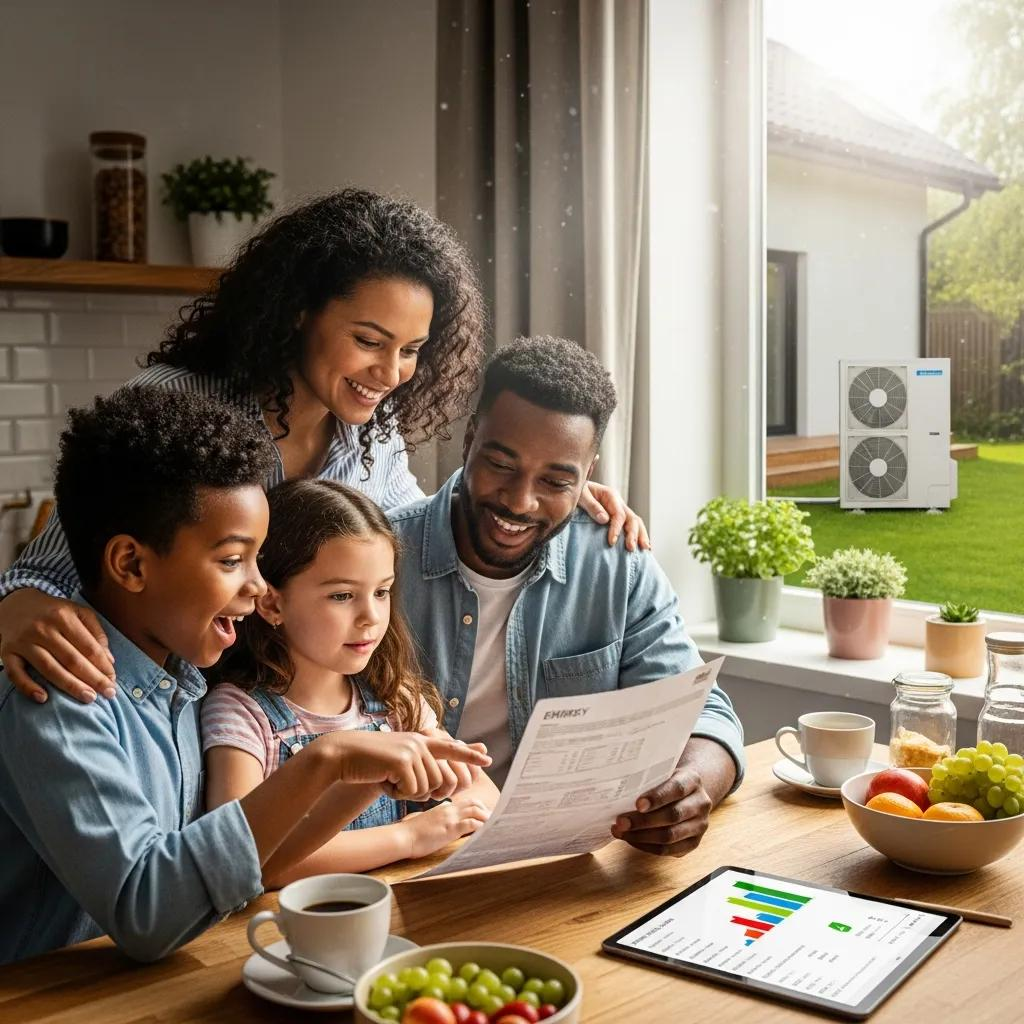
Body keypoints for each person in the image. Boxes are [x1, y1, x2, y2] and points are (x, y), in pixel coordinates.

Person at [0, 189, 646, 706]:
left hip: (277, 716)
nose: (392, 372)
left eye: (412, 350)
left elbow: (412, 539)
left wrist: (544, 490)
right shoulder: (178, 407)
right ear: (298, 312)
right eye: (369, 340)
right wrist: (15, 604)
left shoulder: (371, 434)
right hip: (151, 709)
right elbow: (49, 572)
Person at [0, 388, 489, 964]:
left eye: (257, 559)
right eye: (232, 561)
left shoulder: (180, 678)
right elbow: (147, 911)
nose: (259, 588)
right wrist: (324, 760)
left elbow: (259, 863)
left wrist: (364, 778)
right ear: (131, 564)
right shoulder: (56, 695)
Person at [388, 336, 746, 858]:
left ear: (588, 473)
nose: (520, 500)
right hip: (404, 857)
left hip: (564, 863)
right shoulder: (381, 560)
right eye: (502, 465)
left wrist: (694, 787)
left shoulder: (618, 563)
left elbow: (704, 712)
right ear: (469, 440)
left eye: (556, 480)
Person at [201, 479, 499, 886]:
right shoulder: (241, 715)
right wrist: (409, 836)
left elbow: (483, 795)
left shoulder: (396, 698)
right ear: (272, 603)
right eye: (342, 596)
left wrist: (454, 798)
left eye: (382, 592)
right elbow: (239, 860)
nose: (371, 618)